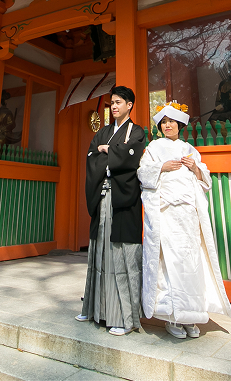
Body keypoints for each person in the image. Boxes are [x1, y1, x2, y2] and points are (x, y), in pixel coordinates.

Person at [138, 103, 231, 339]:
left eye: (171, 122)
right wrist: (161, 167)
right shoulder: (154, 148)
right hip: (167, 213)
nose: (167, 126)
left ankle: (192, 317)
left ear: (180, 124)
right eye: (163, 123)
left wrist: (196, 169)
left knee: (192, 263)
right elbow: (142, 173)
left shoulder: (191, 149)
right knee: (171, 263)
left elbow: (205, 180)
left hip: (189, 216)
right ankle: (173, 317)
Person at [76, 85, 146, 335]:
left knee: (122, 255)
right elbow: (91, 158)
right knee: (99, 252)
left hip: (123, 201)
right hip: (102, 196)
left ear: (129, 105)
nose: (114, 106)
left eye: (119, 102)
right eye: (112, 102)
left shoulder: (137, 132)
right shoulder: (103, 132)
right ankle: (94, 308)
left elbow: (132, 159)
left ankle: (123, 317)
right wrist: (113, 152)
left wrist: (109, 151)